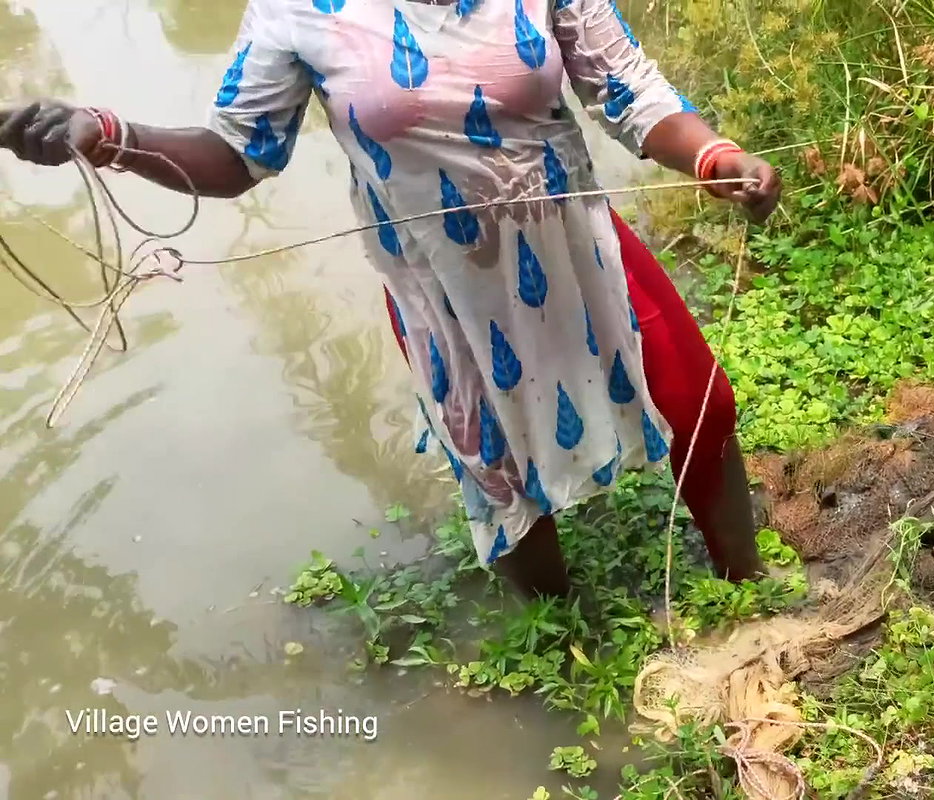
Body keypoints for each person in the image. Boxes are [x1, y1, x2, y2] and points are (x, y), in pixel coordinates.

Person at [0, 0, 781, 598]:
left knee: (696, 402)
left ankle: (745, 584)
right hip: (442, 287)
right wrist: (105, 133)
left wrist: (713, 155)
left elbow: (629, 89)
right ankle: (561, 633)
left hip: (576, 243)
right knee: (504, 473)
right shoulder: (297, 8)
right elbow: (238, 153)